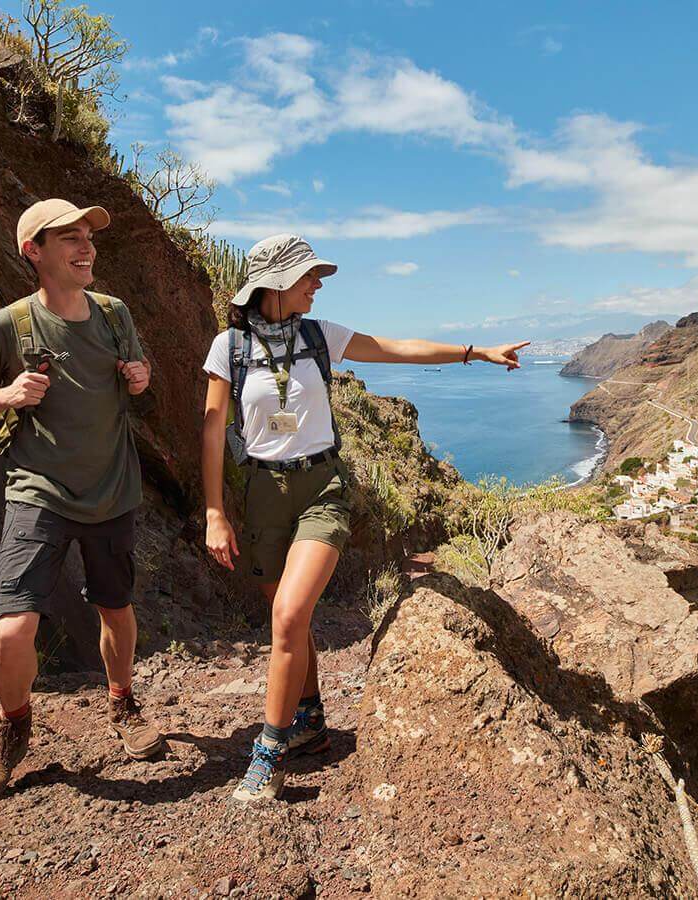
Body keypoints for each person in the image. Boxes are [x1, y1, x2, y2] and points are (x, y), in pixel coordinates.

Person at [199, 233, 528, 803]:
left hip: (321, 489)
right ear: (276, 283)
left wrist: (475, 352)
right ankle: (309, 721)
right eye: (309, 276)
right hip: (262, 492)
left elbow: (399, 348)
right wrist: (214, 512)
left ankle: (269, 752)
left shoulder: (320, 335)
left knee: (287, 616)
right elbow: (210, 430)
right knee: (290, 621)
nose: (318, 284)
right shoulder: (227, 347)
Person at [0, 198, 163, 798]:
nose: (86, 245)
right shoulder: (6, 327)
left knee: (115, 608)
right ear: (33, 252)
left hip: (112, 489)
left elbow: (136, 374)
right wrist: (6, 396)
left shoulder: (115, 314)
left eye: (89, 234)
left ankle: (122, 704)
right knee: (11, 631)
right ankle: (14, 728)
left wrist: (140, 376)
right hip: (37, 490)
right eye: (68, 236)